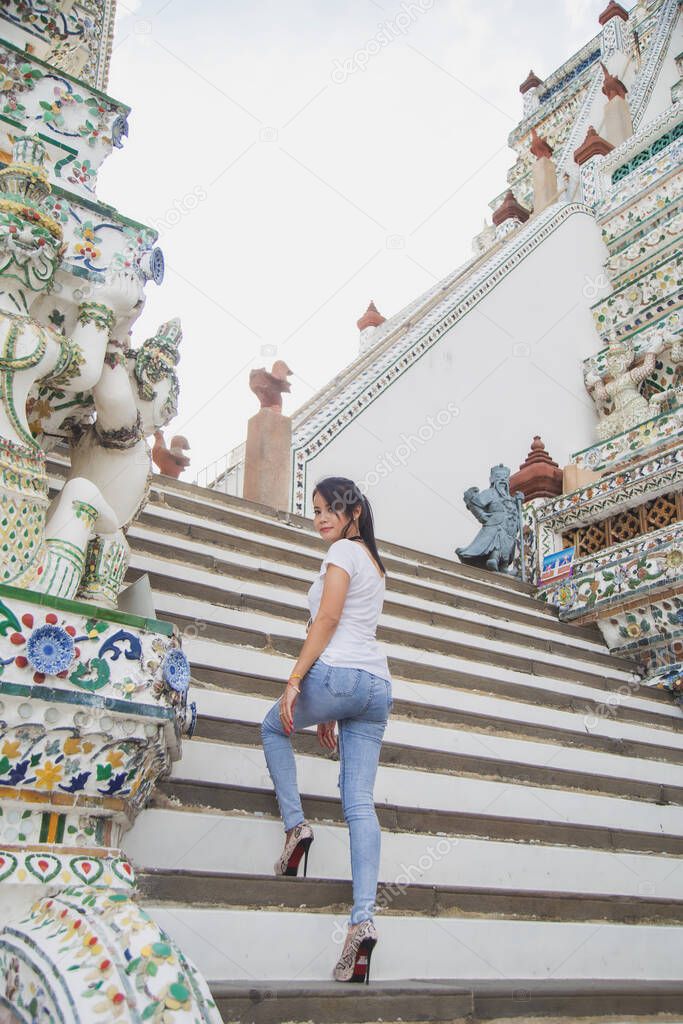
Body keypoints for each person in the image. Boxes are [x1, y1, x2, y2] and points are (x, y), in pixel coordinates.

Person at [261, 476, 392, 984]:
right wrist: (335, 707)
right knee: (359, 803)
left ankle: (296, 828)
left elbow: (330, 619)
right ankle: (362, 921)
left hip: (337, 674)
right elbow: (357, 630)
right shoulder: (375, 564)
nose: (319, 517)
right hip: (376, 687)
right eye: (313, 509)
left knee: (273, 727)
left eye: (328, 508)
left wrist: (295, 679)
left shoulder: (342, 552)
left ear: (352, 510)